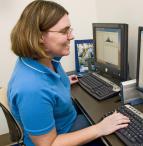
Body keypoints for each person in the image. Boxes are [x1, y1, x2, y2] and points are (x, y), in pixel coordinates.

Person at [7, 0, 130, 146]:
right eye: (64, 31)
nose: (71, 36)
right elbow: (48, 144)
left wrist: (61, 81)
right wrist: (99, 129)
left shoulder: (43, 58)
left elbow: (47, 83)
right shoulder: (31, 88)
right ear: (39, 37)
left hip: (66, 122)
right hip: (60, 137)